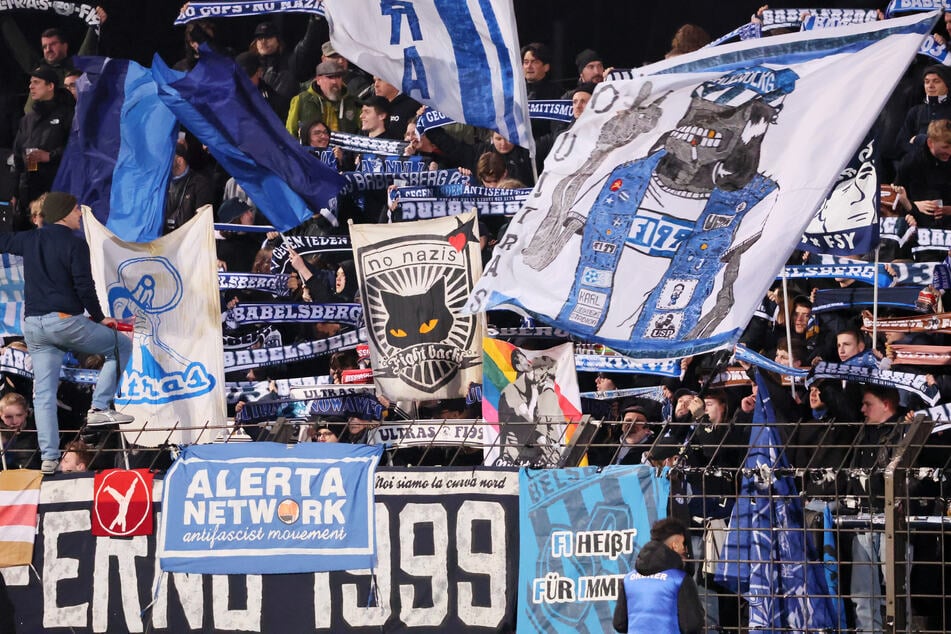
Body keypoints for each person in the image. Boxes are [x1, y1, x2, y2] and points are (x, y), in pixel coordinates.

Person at [0, 192, 133, 475]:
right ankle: (98, 409)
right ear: (62, 213)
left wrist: (5, 211)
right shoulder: (75, 244)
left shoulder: (29, 239)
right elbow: (84, 287)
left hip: (34, 327)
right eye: (76, 211)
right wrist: (101, 318)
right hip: (65, 323)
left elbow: (3, 240)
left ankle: (49, 458)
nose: (80, 215)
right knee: (120, 345)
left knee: (43, 395)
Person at [613, 517, 704, 633]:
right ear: (675, 545)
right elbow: (692, 625)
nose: (684, 549)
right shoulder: (679, 579)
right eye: (682, 544)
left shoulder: (628, 580)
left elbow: (619, 624)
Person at [12, 65, 75, 227]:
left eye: (36, 82)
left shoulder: (67, 114)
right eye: (30, 82)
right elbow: (18, 158)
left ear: (50, 86)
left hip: (56, 188)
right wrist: (14, 193)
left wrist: (49, 156)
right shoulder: (27, 120)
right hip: (29, 192)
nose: (30, 86)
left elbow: (76, 148)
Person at [286, 59, 360, 137]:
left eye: (338, 77)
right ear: (318, 80)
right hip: (309, 148)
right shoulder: (301, 100)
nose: (334, 81)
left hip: (344, 148)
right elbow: (290, 132)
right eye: (330, 77)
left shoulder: (352, 102)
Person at [896, 65, 951, 155]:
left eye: (936, 81)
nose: (930, 86)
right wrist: (921, 153)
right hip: (919, 165)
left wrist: (921, 140)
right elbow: (902, 142)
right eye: (927, 82)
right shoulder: (915, 111)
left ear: (947, 85)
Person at [164, 143, 214, 234]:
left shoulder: (200, 184)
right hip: (163, 240)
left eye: (167, 158)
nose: (163, 162)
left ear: (179, 161)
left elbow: (201, 220)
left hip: (187, 241)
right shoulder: (162, 183)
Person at [0, 392, 39, 469]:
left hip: (34, 475)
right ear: (0, 415)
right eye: (8, 417)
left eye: (19, 415)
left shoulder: (38, 426)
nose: (14, 421)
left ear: (26, 413)